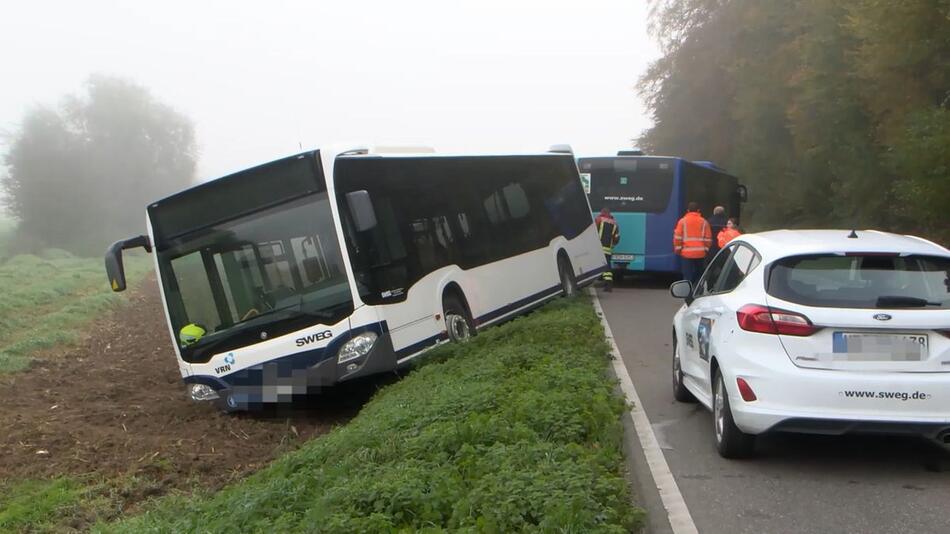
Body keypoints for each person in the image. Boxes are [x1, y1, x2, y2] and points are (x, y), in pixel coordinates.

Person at [673, 202, 711, 285]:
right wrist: (706, 249)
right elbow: (708, 238)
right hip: (700, 253)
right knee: (699, 273)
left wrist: (678, 250)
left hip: (686, 253)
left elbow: (677, 237)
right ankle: (696, 290)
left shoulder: (682, 222)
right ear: (698, 211)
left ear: (687, 210)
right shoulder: (704, 222)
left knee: (687, 275)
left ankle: (688, 292)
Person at [595, 207, 620, 292]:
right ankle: (607, 283)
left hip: (599, 247)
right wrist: (613, 244)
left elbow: (593, 231)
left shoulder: (598, 220)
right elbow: (617, 238)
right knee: (607, 265)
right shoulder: (615, 223)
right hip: (608, 248)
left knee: (602, 266)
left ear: (602, 212)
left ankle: (607, 284)